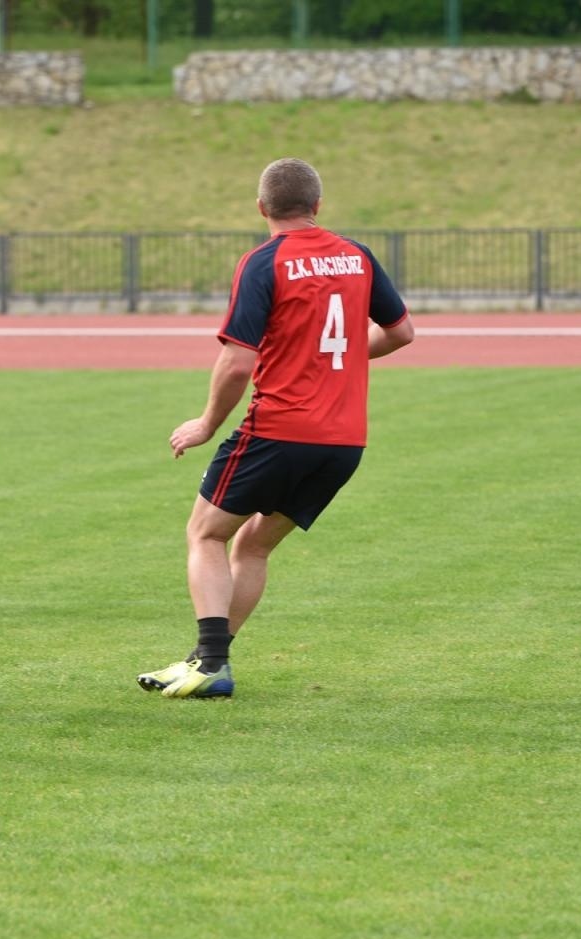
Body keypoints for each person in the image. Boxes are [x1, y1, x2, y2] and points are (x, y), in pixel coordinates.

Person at [137, 158, 414, 699]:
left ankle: (212, 663)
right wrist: (345, 361)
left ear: (261, 208)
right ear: (318, 206)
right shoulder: (357, 256)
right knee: (253, 548)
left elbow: (238, 361)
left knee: (206, 533)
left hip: (279, 429)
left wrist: (205, 423)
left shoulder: (264, 262)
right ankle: (206, 658)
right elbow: (400, 332)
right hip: (343, 442)